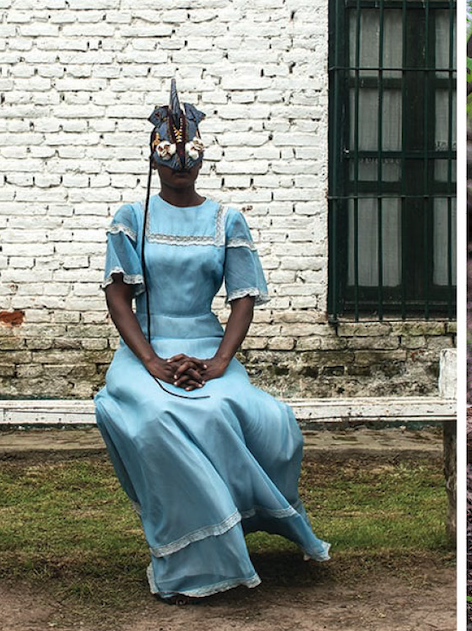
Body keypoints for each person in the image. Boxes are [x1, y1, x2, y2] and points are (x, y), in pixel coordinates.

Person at [94, 80, 330, 603]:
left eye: (190, 154)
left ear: (202, 157)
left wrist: (220, 361)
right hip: (144, 351)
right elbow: (118, 297)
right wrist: (152, 361)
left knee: (246, 414)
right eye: (169, 155)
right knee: (158, 420)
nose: (181, 163)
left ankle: (237, 525)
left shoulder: (228, 219)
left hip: (208, 346)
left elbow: (243, 296)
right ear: (154, 160)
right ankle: (188, 554)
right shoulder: (131, 218)